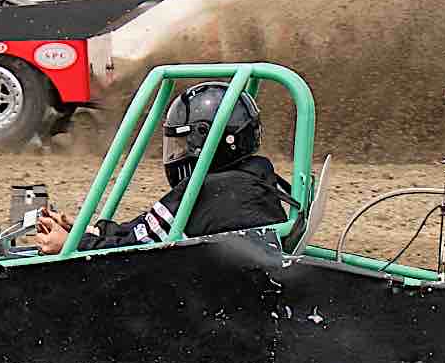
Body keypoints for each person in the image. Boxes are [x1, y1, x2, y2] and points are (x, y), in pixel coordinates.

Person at [28, 83, 290, 252]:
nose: (176, 153)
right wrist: (89, 231)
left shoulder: (209, 191)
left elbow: (135, 251)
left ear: (203, 139)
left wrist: (70, 245)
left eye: (181, 142)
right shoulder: (258, 178)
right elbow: (145, 234)